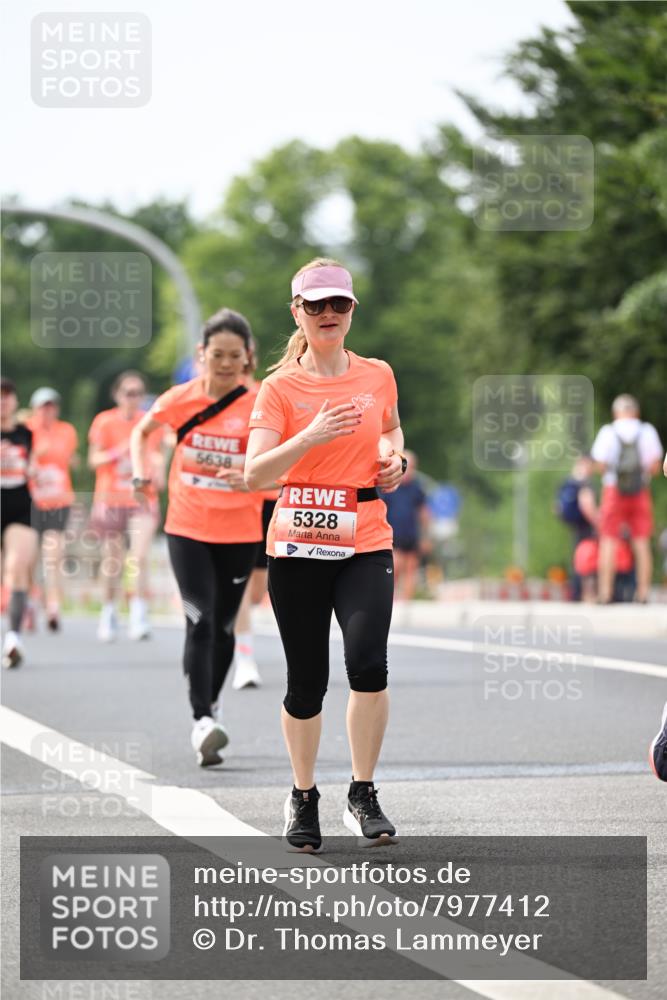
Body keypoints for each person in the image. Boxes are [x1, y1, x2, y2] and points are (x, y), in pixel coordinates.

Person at [245, 258, 406, 851]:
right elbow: (253, 473)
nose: (328, 315)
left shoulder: (377, 375)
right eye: (316, 306)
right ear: (297, 313)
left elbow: (391, 430)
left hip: (365, 536)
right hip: (299, 543)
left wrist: (396, 459)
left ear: (352, 311)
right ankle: (303, 795)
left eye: (339, 304)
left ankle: (362, 792)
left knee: (368, 664)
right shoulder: (280, 387)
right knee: (307, 679)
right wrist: (311, 434)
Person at [131, 308, 264, 767]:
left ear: (248, 358)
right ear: (200, 355)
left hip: (241, 531)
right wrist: (139, 471)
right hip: (187, 528)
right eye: (217, 355)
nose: (226, 364)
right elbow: (141, 432)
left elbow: (279, 470)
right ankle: (202, 718)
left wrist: (250, 480)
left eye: (234, 356)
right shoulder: (180, 398)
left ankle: (211, 703)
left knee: (225, 626)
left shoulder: (260, 403)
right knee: (200, 618)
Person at [88, 371, 165, 641]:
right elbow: (93, 460)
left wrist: (158, 466)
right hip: (110, 498)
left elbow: (157, 456)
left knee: (139, 556)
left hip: (142, 498)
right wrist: (117, 452)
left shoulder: (149, 423)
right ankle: (109, 611)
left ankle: (138, 612)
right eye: (128, 393)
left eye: (138, 393)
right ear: (117, 395)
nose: (133, 398)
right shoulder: (105, 421)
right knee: (113, 560)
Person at [231, 338, 280, 690]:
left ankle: (232, 617)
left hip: (270, 499)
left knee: (258, 587)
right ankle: (244, 658)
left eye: (242, 356)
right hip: (235, 506)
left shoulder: (268, 392)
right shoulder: (215, 402)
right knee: (242, 581)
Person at [590, 394, 663, 603]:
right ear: (636, 412)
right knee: (641, 542)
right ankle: (642, 593)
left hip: (613, 490)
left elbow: (600, 465)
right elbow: (655, 466)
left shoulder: (608, 432)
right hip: (640, 490)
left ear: (616, 413)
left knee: (608, 540)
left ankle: (605, 593)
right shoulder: (647, 431)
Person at [27, 387, 78, 631]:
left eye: (51, 406)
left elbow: (67, 457)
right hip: (32, 502)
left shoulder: (66, 431)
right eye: (43, 407)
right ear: (35, 409)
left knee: (53, 555)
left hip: (59, 501)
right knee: (30, 558)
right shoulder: (25, 429)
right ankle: (29, 601)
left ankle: (53, 606)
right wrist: (37, 454)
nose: (48, 411)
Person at [1, 377, 39, 667]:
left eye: (8, 396)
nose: (3, 402)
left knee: (16, 567)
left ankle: (13, 636)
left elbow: (34, 465)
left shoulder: (26, 433)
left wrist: (34, 469)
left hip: (19, 507)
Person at [382, 449, 431, 601]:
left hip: (411, 534)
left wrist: (425, 537)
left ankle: (406, 602)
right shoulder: (388, 486)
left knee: (411, 568)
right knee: (395, 567)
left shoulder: (417, 488)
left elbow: (423, 513)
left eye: (411, 467)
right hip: (392, 534)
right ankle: (389, 599)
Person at [555, 455, 598, 601]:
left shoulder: (568, 481)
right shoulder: (584, 482)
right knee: (588, 560)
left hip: (575, 526)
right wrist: (598, 522)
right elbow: (587, 505)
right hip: (586, 526)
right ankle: (585, 594)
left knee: (577, 558)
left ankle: (576, 592)